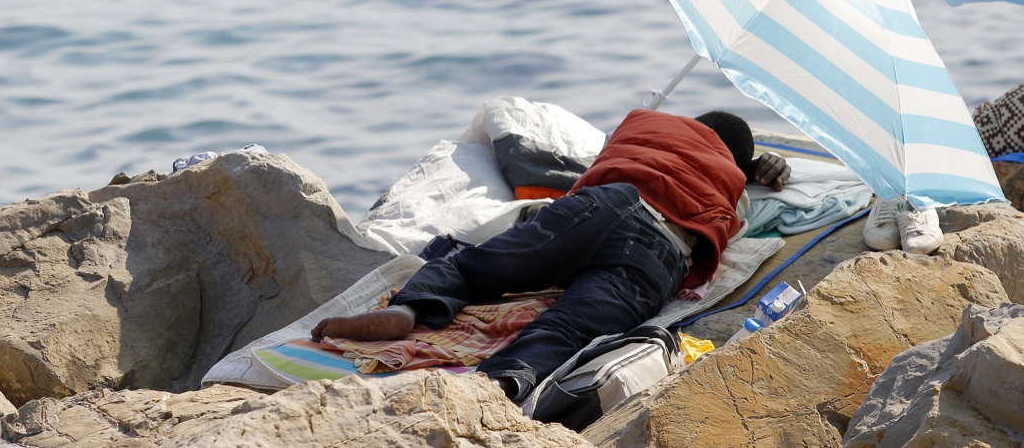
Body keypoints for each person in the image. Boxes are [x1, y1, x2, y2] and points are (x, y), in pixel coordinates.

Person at [311, 108, 790, 402]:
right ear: (739, 162)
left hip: (606, 203)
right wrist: (754, 173)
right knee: (570, 328)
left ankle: (408, 308)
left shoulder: (649, 125)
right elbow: (733, 225)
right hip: (660, 251)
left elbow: (603, 161)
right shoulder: (733, 186)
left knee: (478, 267)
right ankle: (499, 385)